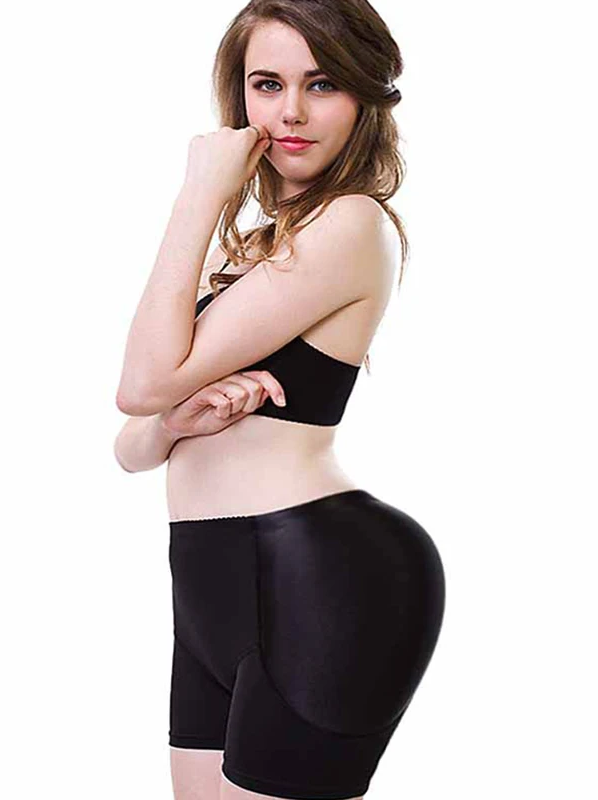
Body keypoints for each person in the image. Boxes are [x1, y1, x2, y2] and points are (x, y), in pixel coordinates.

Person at [114, 2, 445, 798]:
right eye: (268, 84)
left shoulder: (351, 225)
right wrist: (176, 421)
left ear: (364, 97)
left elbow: (141, 381)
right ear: (241, 96)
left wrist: (199, 192)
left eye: (321, 84)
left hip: (316, 574)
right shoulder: (252, 247)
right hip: (208, 575)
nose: (290, 111)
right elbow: (132, 437)